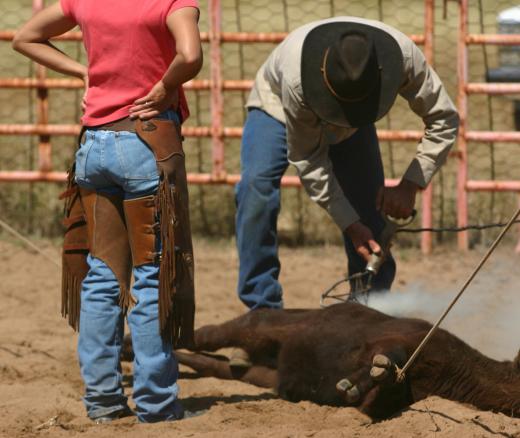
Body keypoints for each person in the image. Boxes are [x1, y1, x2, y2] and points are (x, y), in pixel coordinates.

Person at [13, 0, 203, 424]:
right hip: (147, 144)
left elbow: (24, 37)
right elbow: (190, 56)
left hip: (94, 146)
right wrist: (163, 86)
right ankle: (157, 405)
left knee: (102, 277)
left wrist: (84, 72)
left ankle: (102, 401)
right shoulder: (171, 2)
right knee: (153, 277)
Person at [235, 17, 459, 310]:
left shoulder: (404, 58)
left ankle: (369, 311)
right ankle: (261, 312)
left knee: (369, 211)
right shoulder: (296, 79)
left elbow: (443, 118)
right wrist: (350, 225)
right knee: (255, 190)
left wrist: (411, 184)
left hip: (357, 119)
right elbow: (307, 157)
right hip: (278, 107)